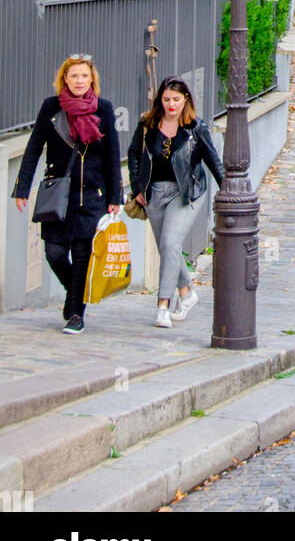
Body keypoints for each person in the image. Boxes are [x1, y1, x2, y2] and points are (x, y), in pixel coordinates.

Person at [12, 55, 122, 334]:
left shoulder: (104, 109)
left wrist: (114, 197)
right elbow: (34, 147)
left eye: (84, 76)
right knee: (54, 253)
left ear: (91, 80)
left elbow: (112, 155)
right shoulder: (51, 108)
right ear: (64, 79)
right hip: (58, 195)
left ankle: (76, 313)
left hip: (92, 196)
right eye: (74, 76)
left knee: (83, 255)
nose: (79, 81)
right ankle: (74, 294)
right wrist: (22, 188)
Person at [127, 76, 224, 329]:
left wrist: (229, 190)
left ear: (186, 100)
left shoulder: (196, 128)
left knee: (170, 243)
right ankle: (187, 293)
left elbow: (213, 161)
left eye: (176, 99)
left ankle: (163, 306)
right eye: (167, 99)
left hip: (186, 194)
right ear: (160, 99)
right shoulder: (148, 124)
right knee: (166, 248)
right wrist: (137, 186)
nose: (171, 104)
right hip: (154, 193)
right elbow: (134, 154)